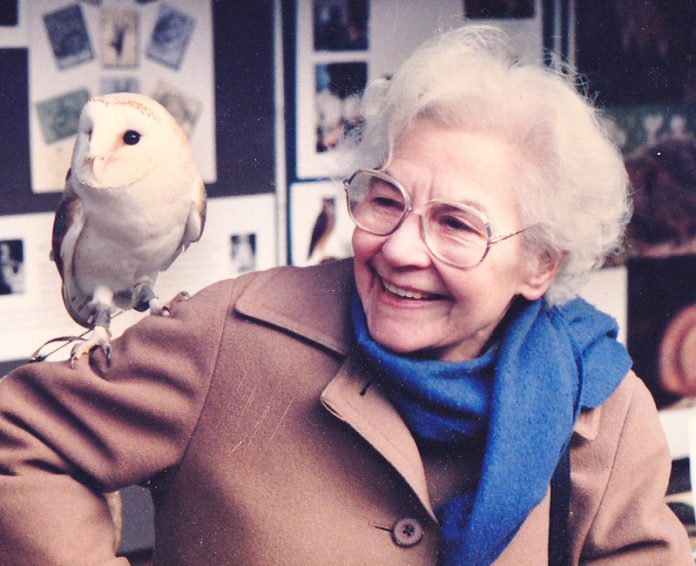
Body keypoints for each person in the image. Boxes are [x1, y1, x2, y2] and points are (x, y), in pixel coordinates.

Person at [0, 25, 691, 565]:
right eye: (385, 199)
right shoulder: (228, 336)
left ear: (539, 264)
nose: (399, 249)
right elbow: (21, 439)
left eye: (456, 224)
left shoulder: (602, 409)